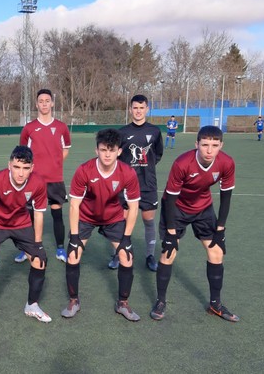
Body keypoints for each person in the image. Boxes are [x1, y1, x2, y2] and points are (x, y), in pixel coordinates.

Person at [150, 125, 238, 322]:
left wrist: (220, 229)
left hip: (203, 208)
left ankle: (215, 304)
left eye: (214, 145)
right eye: (205, 145)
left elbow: (226, 197)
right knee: (169, 252)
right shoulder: (182, 163)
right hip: (176, 209)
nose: (209, 150)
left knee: (216, 252)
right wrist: (171, 233)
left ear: (221, 145)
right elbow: (170, 199)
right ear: (196, 144)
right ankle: (161, 301)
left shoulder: (226, 163)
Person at [63, 128, 141, 321]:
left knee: (127, 256)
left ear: (119, 151)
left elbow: (133, 206)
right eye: (103, 149)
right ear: (96, 150)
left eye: (111, 150)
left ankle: (122, 303)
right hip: (86, 216)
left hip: (113, 217)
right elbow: (74, 205)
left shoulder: (127, 173)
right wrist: (74, 237)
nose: (107, 154)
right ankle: (74, 300)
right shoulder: (84, 170)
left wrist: (127, 237)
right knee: (73, 255)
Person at [0, 146, 51, 327]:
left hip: (22, 223)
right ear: (9, 165)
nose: (20, 173)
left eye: (25, 168)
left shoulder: (38, 183)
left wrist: (38, 244)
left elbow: (39, 214)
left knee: (39, 260)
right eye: (16, 167)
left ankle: (32, 305)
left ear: (32, 168)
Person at [14, 89, 71, 264]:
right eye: (41, 101)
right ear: (36, 104)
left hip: (55, 180)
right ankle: (27, 249)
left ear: (52, 103)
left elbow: (66, 149)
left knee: (57, 214)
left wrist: (54, 163)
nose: (44, 104)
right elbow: (23, 153)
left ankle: (60, 249)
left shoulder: (61, 127)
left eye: (47, 101)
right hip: (34, 180)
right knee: (29, 216)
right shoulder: (29, 128)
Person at [108, 94, 164, 272]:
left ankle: (149, 256)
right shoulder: (121, 133)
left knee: (149, 220)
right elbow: (116, 157)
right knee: (121, 221)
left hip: (148, 185)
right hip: (125, 186)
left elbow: (158, 155)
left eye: (142, 108)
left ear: (147, 109)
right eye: (135, 108)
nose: (138, 111)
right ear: (130, 109)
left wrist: (145, 168)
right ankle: (118, 254)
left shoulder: (155, 131)